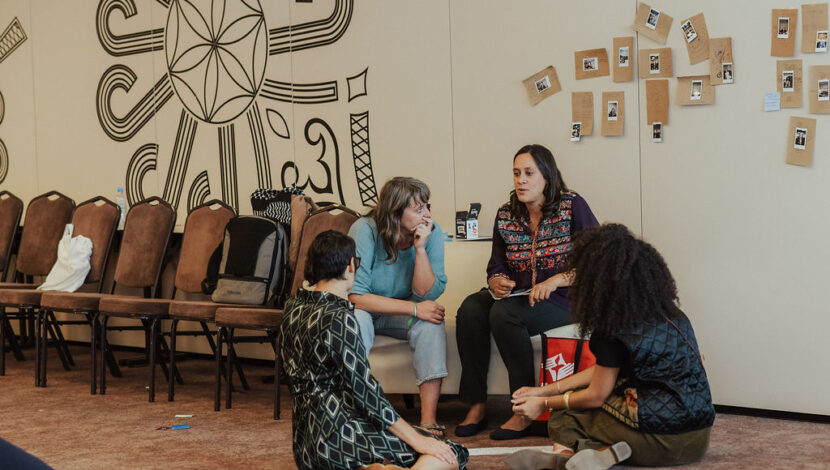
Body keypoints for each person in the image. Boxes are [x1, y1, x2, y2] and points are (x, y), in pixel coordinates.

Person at [509, 224, 714, 470]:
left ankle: (569, 457)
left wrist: (545, 404)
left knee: (566, 412)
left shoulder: (613, 328)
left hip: (658, 442)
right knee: (577, 398)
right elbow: (602, 372)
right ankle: (603, 454)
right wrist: (544, 391)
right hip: (698, 439)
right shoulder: (673, 315)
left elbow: (596, 395)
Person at [279, 231, 468, 470]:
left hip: (305, 445)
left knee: (407, 448)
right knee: (452, 452)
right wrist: (419, 440)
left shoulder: (293, 307)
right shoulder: (339, 317)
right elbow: (368, 395)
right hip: (339, 438)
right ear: (350, 266)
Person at [454, 144, 599, 440]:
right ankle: (476, 405)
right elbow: (496, 264)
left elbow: (597, 260)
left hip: (564, 300)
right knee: (470, 308)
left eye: (529, 173)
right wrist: (497, 280)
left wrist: (557, 279)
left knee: (504, 313)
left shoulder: (572, 206)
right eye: (517, 173)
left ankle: (522, 411)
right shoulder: (506, 214)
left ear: (547, 176)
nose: (521, 180)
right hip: (519, 296)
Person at [348, 177, 449, 436]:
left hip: (398, 316)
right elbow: (356, 296)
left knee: (431, 321)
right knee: (357, 318)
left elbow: (425, 293)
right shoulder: (365, 229)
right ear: (395, 213)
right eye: (418, 209)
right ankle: (356, 410)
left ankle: (428, 420)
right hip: (367, 310)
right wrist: (415, 309)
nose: (427, 215)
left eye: (427, 206)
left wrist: (421, 249)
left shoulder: (432, 232)